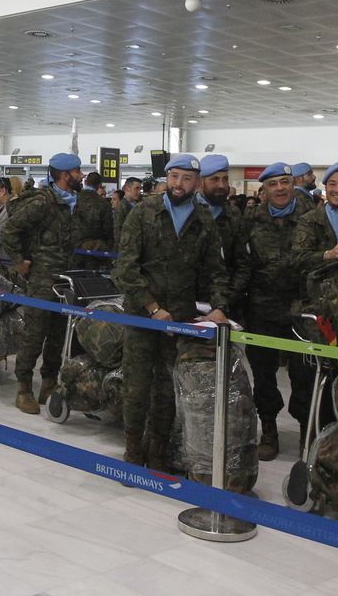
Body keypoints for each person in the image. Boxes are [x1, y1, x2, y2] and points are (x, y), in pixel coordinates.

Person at [112, 154, 230, 468]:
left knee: (167, 389)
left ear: (197, 182)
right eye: (175, 177)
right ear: (167, 177)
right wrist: (152, 307)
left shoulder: (204, 219)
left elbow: (216, 270)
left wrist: (219, 307)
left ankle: (158, 450)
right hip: (141, 316)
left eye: (187, 178)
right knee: (137, 386)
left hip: (180, 320)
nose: (179, 184)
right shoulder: (143, 213)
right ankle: (133, 451)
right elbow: (125, 268)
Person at [234, 162, 314, 459]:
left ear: (293, 184)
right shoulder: (251, 220)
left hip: (301, 310)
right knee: (264, 374)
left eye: (285, 182)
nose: (280, 188)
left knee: (304, 374)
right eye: (273, 184)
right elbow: (242, 263)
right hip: (262, 309)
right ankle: (268, 429)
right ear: (263, 190)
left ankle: (308, 430)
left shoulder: (312, 218)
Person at [0, 155, 81, 414]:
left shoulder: (73, 203)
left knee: (58, 333)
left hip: (65, 278)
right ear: (65, 174)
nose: (81, 176)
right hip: (41, 278)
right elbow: (10, 229)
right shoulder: (43, 202)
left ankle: (48, 382)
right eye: (77, 172)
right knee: (35, 333)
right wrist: (19, 261)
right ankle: (24, 387)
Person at [197, 155, 244, 312]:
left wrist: (225, 300)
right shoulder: (187, 211)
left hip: (226, 302)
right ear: (200, 182)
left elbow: (243, 264)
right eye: (215, 179)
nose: (222, 185)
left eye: (225, 179)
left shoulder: (234, 214)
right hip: (187, 300)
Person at [72, 168, 114, 267]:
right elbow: (108, 229)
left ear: (85, 182)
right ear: (99, 185)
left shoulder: (74, 199)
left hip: (74, 247)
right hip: (95, 250)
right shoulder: (104, 203)